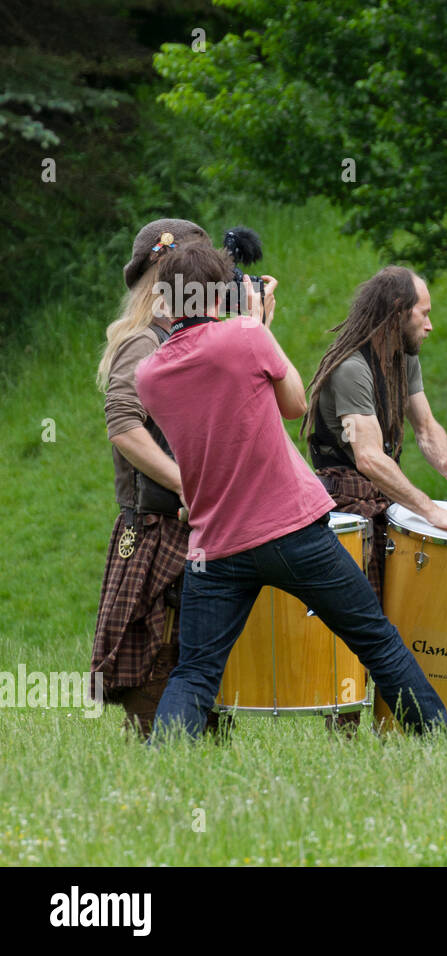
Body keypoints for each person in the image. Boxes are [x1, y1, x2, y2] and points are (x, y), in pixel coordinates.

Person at [137, 243, 447, 739]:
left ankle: (164, 760)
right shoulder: (245, 336)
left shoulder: (149, 375)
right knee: (375, 639)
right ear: (221, 292)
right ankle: (442, 737)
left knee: (195, 672)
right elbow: (293, 403)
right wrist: (257, 326)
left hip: (215, 544)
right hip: (291, 529)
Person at [91, 218, 215, 736]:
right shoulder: (142, 342)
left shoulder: (184, 340)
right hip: (156, 525)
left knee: (194, 658)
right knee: (157, 662)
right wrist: (187, 483)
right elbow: (123, 426)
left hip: (192, 525)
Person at [302, 265, 447, 599]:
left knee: (398, 614)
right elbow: (370, 459)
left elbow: (427, 428)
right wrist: (430, 510)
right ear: (398, 312)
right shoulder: (351, 369)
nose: (430, 326)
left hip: (380, 498)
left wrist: (444, 461)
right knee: (369, 624)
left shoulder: (403, 359)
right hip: (344, 504)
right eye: (424, 314)